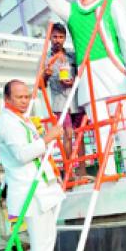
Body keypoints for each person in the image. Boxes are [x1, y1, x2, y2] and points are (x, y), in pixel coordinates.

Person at [11, 0, 126, 175]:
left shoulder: (111, 5)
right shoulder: (71, 12)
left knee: (124, 124)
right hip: (89, 75)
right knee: (100, 128)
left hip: (115, 71)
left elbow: (125, 39)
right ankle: (108, 172)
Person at [0, 79, 79, 251]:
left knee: (45, 246)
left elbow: (39, 157)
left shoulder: (20, 120)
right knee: (42, 248)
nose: (24, 100)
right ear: (7, 99)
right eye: (19, 97)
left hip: (43, 190)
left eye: (26, 96)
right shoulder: (8, 123)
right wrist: (48, 137)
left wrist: (55, 176)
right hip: (31, 194)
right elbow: (22, 155)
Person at [43, 22, 88, 180]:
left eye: (61, 37)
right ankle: (70, 172)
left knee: (80, 135)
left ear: (65, 38)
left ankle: (82, 171)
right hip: (60, 102)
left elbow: (82, 73)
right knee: (67, 134)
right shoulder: (45, 58)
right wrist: (47, 75)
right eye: (55, 36)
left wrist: (73, 79)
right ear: (50, 38)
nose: (57, 40)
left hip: (76, 100)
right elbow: (41, 83)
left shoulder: (71, 55)